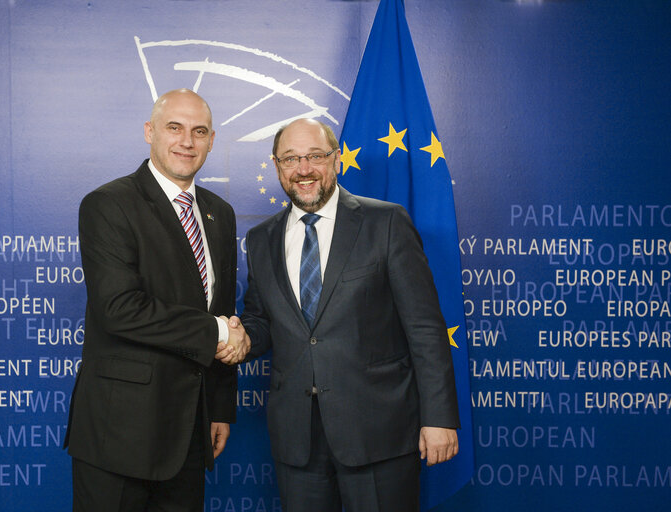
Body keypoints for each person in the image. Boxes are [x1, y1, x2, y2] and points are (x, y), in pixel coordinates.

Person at [230, 118, 460, 511]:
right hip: (297, 440)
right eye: (290, 159)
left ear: (335, 159)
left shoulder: (385, 222)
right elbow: (263, 319)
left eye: (315, 156)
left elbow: (424, 328)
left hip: (379, 433)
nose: (303, 169)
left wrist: (439, 418)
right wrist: (244, 338)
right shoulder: (261, 239)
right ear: (276, 165)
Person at [64, 88, 249, 512]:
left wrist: (219, 407)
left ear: (212, 140)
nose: (187, 141)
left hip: (189, 432)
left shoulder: (219, 213)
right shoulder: (109, 204)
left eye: (199, 131)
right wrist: (218, 331)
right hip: (119, 435)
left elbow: (221, 308)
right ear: (150, 132)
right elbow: (119, 309)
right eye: (174, 128)